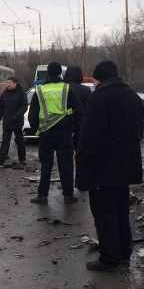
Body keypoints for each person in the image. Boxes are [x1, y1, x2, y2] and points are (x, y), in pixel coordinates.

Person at [77, 60, 144, 271]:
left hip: (102, 167)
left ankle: (109, 258)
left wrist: (82, 159)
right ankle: (124, 252)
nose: (94, 84)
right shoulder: (133, 97)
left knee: (105, 214)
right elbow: (139, 133)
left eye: (95, 80)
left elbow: (89, 136)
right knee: (121, 210)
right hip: (126, 166)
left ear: (101, 78)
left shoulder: (99, 99)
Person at [28, 62, 84, 204]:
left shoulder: (39, 90)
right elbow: (79, 111)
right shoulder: (67, 89)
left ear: (47, 73)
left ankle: (42, 195)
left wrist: (37, 130)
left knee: (46, 164)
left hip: (46, 133)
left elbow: (32, 114)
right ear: (60, 73)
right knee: (66, 164)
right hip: (64, 133)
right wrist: (73, 129)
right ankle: (68, 195)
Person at [0, 77, 28, 166]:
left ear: (15, 83)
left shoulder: (21, 93)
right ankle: (1, 158)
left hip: (17, 121)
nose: (8, 84)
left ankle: (22, 159)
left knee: (19, 140)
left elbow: (24, 106)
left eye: (9, 82)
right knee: (5, 140)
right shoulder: (4, 93)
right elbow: (1, 107)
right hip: (7, 121)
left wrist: (18, 115)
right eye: (7, 82)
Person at [63, 65, 91, 152]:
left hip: (65, 126)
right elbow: (88, 110)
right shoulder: (86, 90)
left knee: (65, 156)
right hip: (81, 126)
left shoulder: (63, 89)